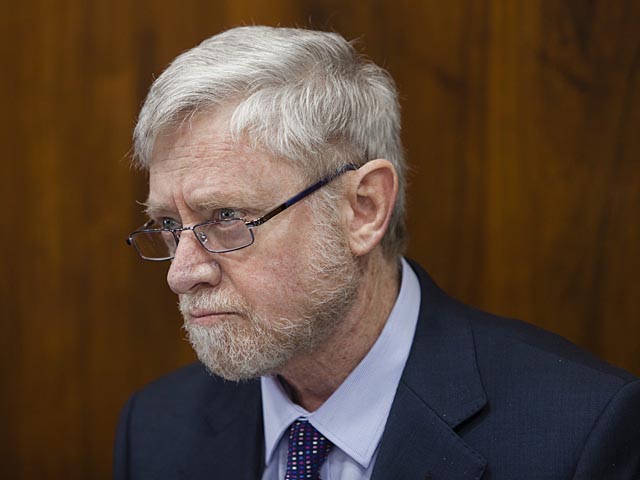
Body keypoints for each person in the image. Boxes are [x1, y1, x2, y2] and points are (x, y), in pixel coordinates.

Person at [114, 26, 640, 479]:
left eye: (226, 216)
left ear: (362, 209)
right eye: (169, 225)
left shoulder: (579, 433)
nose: (181, 273)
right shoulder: (156, 428)